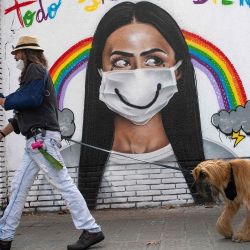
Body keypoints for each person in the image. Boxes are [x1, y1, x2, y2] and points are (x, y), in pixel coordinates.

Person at [78, 0, 213, 209]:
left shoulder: (215, 160)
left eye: (154, 60)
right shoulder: (62, 166)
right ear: (100, 72)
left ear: (177, 70)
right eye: (121, 62)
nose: (139, 74)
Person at [0, 36, 104, 250]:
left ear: (26, 53)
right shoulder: (31, 78)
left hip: (42, 141)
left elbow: (29, 101)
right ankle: (4, 236)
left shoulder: (35, 70)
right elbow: (23, 114)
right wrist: (3, 133)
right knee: (18, 188)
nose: (15, 57)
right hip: (37, 141)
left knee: (63, 184)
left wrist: (4, 100)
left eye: (17, 53)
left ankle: (91, 229)